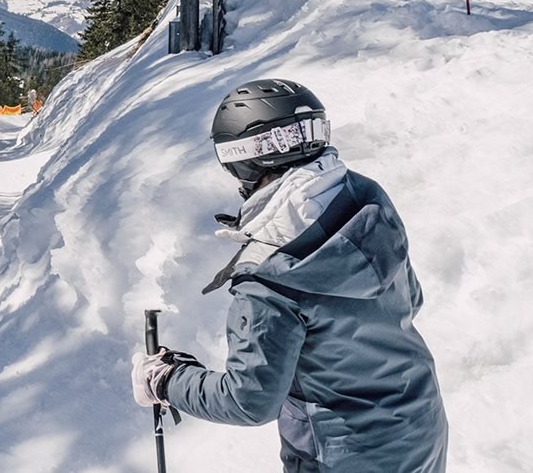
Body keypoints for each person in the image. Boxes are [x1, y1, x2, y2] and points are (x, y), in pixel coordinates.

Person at [131, 78, 448, 472]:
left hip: (341, 454)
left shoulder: (270, 271)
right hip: (419, 429)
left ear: (243, 161)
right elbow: (411, 300)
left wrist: (167, 382)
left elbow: (248, 400)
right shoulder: (367, 201)